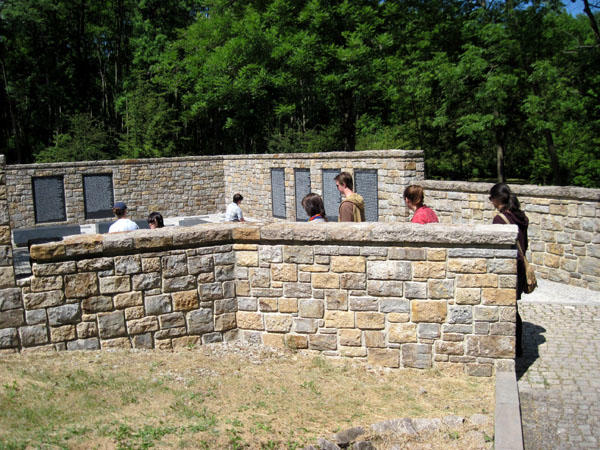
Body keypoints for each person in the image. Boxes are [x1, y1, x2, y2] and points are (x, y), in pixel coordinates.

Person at [489, 182, 529, 357]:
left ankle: (513, 347)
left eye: (491, 198)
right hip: (520, 267)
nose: (491, 202)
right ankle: (517, 346)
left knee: (508, 308)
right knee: (513, 306)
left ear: (498, 199)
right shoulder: (521, 217)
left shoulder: (500, 219)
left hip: (508, 267)